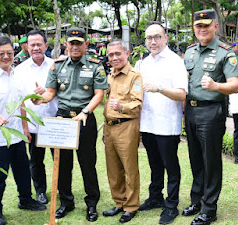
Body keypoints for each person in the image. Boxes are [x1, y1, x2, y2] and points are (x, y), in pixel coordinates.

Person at [32, 27, 108, 221]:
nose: (75, 46)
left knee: (87, 164)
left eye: (79, 43)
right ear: (66, 44)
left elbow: (99, 93)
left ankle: (92, 204)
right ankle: (66, 202)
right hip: (63, 120)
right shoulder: (56, 66)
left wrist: (85, 112)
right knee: (62, 164)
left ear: (85, 44)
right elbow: (51, 93)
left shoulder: (95, 66)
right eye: (71, 43)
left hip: (84, 119)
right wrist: (41, 100)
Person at [0, 36, 46, 225]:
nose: (6, 57)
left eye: (9, 53)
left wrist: (24, 128)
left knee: (23, 171)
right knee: (0, 177)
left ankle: (25, 200)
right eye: (1, 54)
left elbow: (21, 102)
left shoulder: (17, 75)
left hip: (17, 136)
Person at [183, 10, 238, 225]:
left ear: (216, 26)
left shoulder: (226, 52)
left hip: (211, 111)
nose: (202, 29)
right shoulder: (188, 52)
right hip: (190, 110)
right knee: (195, 158)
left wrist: (216, 86)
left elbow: (234, 85)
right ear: (194, 28)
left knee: (211, 161)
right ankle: (196, 200)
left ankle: (209, 208)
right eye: (198, 26)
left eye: (207, 25)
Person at [137, 21, 188, 225]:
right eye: (149, 38)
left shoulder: (175, 61)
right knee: (154, 164)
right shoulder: (143, 63)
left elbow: (181, 94)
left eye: (157, 37)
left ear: (165, 38)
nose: (153, 41)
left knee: (170, 165)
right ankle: (155, 197)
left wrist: (160, 88)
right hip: (147, 122)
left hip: (167, 123)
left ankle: (171, 204)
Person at [102, 40, 143, 223]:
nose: (114, 57)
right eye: (111, 55)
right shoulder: (110, 75)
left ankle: (131, 206)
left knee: (129, 168)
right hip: (109, 127)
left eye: (118, 53)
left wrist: (121, 107)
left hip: (126, 126)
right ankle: (119, 202)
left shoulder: (134, 76)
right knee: (113, 169)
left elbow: (137, 104)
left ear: (127, 53)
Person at [14, 30, 57, 205]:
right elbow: (19, 100)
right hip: (33, 124)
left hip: (55, 122)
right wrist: (24, 127)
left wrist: (46, 93)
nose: (36, 48)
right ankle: (40, 191)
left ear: (46, 46)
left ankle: (61, 189)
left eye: (39, 44)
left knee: (59, 159)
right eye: (32, 45)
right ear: (26, 47)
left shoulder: (56, 65)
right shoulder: (20, 70)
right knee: (36, 161)